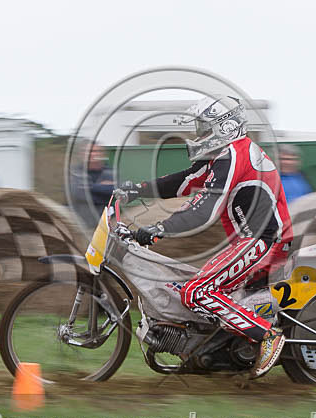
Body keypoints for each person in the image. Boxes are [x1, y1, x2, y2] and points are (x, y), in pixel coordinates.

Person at [123, 95, 293, 379]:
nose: (198, 135)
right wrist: (138, 189)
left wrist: (160, 229)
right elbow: (184, 181)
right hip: (252, 241)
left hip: (264, 241)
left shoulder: (234, 155)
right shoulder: (225, 156)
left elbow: (204, 209)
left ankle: (266, 337)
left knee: (195, 292)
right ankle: (216, 350)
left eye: (204, 128)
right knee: (199, 290)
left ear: (224, 128)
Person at [69, 142, 116, 226]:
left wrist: (89, 188)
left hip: (105, 225)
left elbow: (114, 192)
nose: (93, 154)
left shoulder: (110, 172)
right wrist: (102, 190)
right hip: (79, 224)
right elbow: (77, 193)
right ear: (81, 154)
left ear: (102, 154)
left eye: (96, 151)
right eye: (89, 151)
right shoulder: (75, 171)